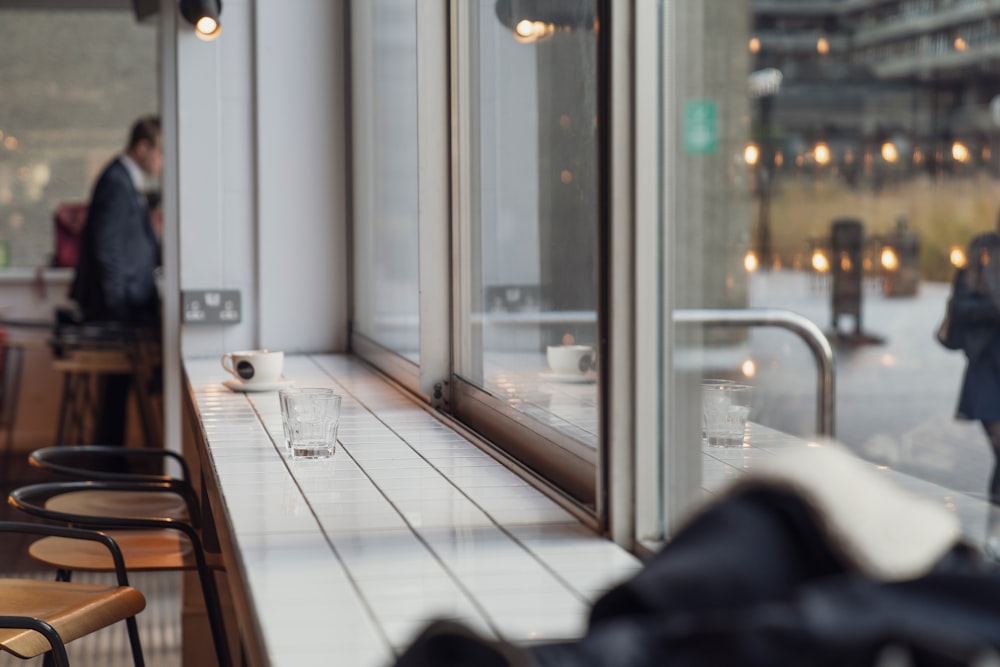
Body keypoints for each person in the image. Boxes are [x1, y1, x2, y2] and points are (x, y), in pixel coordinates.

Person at [69, 114, 163, 446]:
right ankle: (111, 461)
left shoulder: (124, 179)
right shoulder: (116, 181)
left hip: (123, 305)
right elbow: (106, 250)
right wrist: (118, 308)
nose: (162, 163)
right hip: (114, 310)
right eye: (160, 153)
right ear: (142, 146)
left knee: (119, 389)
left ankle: (113, 458)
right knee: (116, 388)